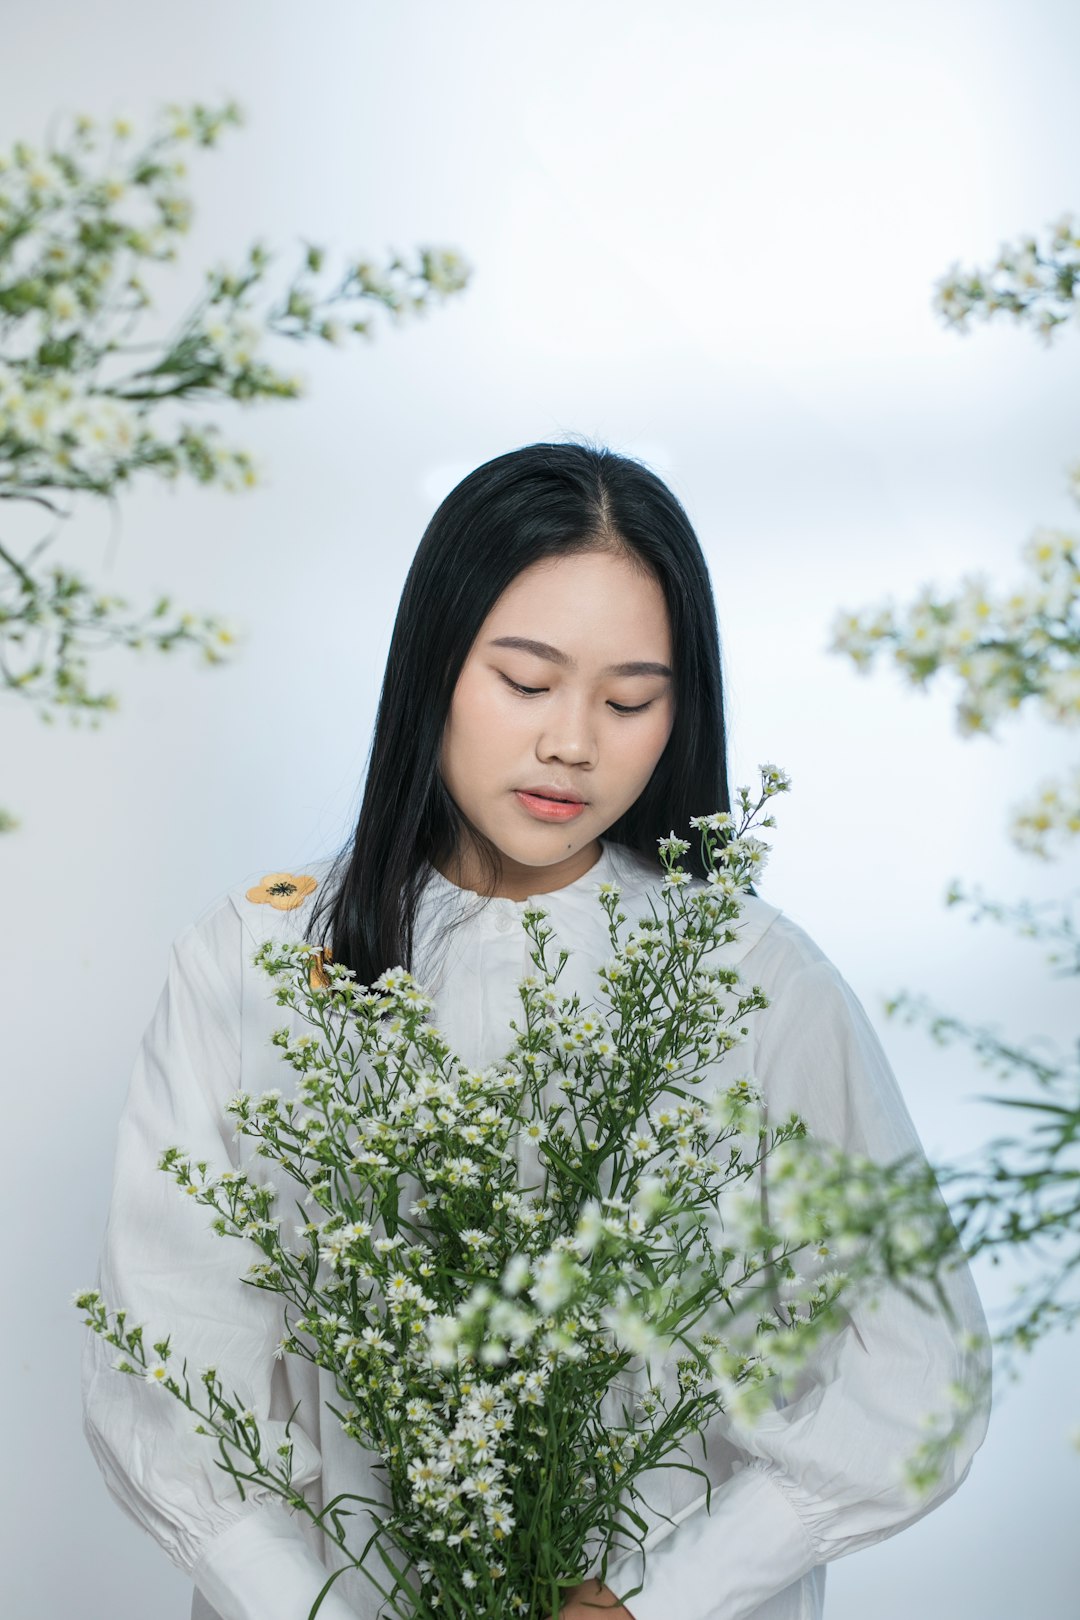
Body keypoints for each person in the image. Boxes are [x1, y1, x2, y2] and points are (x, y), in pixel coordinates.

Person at [81, 441, 992, 1620]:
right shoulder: (256, 963)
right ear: (434, 666)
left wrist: (664, 1601)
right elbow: (169, 1358)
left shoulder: (753, 978)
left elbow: (917, 1359)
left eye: (629, 701)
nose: (574, 741)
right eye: (525, 682)